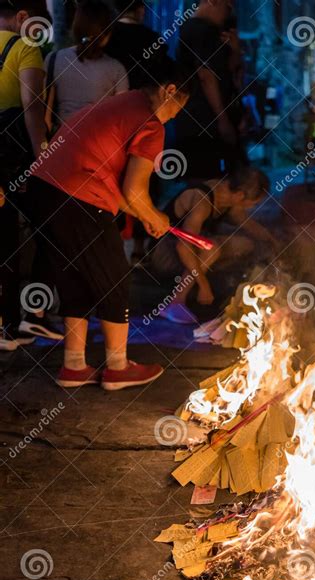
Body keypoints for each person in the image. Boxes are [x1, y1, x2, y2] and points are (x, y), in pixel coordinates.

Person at [27, 56, 191, 390]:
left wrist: (146, 217)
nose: (176, 114)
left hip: (43, 189)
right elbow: (134, 189)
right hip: (78, 193)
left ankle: (74, 365)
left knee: (76, 275)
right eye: (179, 107)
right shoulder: (150, 123)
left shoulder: (119, 105)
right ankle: (117, 366)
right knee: (114, 277)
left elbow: (125, 195)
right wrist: (156, 216)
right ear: (169, 91)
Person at [0, 0, 61, 351]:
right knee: (47, 228)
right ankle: (21, 321)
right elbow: (32, 108)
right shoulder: (25, 47)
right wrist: (43, 157)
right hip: (11, 160)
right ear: (23, 18)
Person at [147, 167, 276, 323]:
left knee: (244, 244)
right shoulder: (202, 199)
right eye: (253, 203)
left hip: (187, 249)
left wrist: (274, 242)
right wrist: (204, 285)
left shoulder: (229, 197)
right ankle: (175, 302)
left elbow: (248, 224)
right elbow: (183, 247)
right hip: (163, 253)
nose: (251, 207)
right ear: (241, 195)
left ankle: (197, 287)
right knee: (212, 248)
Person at [175, 0, 245, 179]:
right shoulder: (199, 30)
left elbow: (229, 71)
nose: (228, 12)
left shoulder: (212, 32)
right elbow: (206, 76)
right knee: (206, 181)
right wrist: (222, 119)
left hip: (211, 117)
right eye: (227, 6)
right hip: (203, 119)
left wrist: (236, 50)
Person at [44, 0, 128, 131]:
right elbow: (121, 118)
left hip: (63, 142)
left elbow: (45, 116)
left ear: (76, 27)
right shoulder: (116, 69)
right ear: (107, 34)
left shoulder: (54, 59)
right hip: (100, 143)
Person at [105, 0, 167, 90]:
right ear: (141, 9)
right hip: (143, 96)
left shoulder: (106, 34)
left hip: (111, 95)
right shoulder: (152, 37)